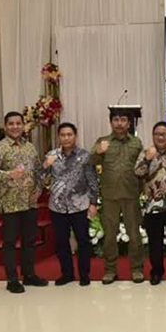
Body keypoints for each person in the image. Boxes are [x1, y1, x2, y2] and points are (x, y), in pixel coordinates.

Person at [0, 111, 48, 293]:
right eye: (11, 124)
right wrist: (8, 174)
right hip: (9, 202)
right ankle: (12, 279)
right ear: (5, 126)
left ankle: (29, 275)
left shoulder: (30, 147)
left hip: (30, 202)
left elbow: (37, 171)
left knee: (29, 241)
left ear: (23, 125)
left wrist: (39, 189)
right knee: (10, 242)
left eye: (18, 123)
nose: (15, 127)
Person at [89, 109, 144, 285]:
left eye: (123, 120)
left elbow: (142, 167)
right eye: (116, 120)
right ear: (111, 122)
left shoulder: (136, 143)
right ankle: (110, 270)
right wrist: (98, 151)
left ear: (129, 123)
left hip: (131, 195)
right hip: (110, 196)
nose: (119, 123)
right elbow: (90, 163)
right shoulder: (102, 142)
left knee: (134, 235)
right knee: (110, 235)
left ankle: (137, 269)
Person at [41, 122, 98, 287]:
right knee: (61, 242)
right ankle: (67, 273)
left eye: (69, 135)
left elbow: (92, 181)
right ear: (59, 137)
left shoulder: (85, 156)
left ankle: (84, 274)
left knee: (83, 241)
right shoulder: (51, 156)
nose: (66, 138)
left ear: (75, 136)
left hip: (79, 205)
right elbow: (40, 177)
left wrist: (93, 203)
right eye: (63, 135)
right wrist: (46, 165)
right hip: (57, 207)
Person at [134, 121, 166, 285]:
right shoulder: (146, 152)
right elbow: (138, 172)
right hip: (152, 206)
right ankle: (156, 272)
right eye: (157, 134)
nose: (160, 137)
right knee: (155, 242)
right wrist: (148, 160)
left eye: (164, 134)